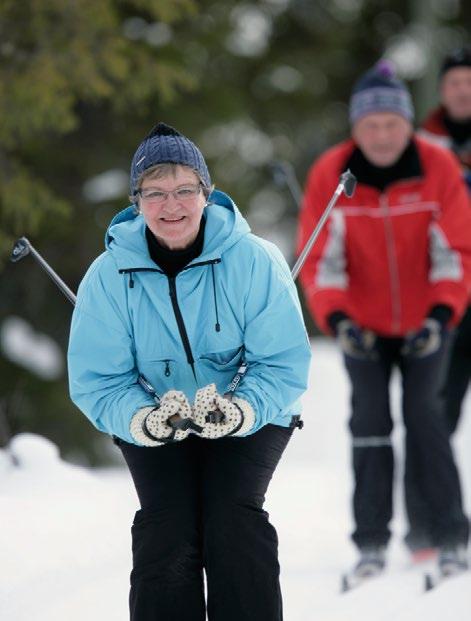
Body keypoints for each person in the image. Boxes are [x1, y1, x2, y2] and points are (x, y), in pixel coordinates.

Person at [68, 122, 311, 621]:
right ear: (136, 202)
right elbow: (100, 381)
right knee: (167, 525)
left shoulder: (255, 261)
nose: (170, 204)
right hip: (159, 414)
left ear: (208, 192)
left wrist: (240, 409)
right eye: (155, 192)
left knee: (233, 519)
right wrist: (144, 420)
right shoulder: (108, 277)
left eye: (184, 189)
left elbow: (281, 363)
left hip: (252, 408)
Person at [297, 61, 471, 578]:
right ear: (355, 129)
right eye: (370, 126)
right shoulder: (332, 174)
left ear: (407, 124)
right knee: (370, 423)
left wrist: (441, 316)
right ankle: (370, 542)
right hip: (364, 328)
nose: (381, 135)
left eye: (392, 124)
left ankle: (449, 536)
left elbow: (457, 252)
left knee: (426, 419)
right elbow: (320, 258)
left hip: (427, 324)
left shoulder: (437, 168)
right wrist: (340, 320)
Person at [419, 46, 471, 434]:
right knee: (438, 406)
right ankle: (428, 492)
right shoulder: (419, 146)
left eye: (470, 82)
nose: (463, 91)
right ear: (442, 89)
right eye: (455, 82)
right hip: (443, 292)